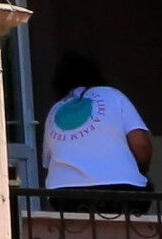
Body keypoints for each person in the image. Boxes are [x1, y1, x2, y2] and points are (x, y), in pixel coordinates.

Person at [41, 51, 152, 212]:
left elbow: (48, 161)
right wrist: (140, 170)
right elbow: (141, 144)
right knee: (144, 184)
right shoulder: (113, 95)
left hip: (65, 197)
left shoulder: (55, 110)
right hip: (122, 194)